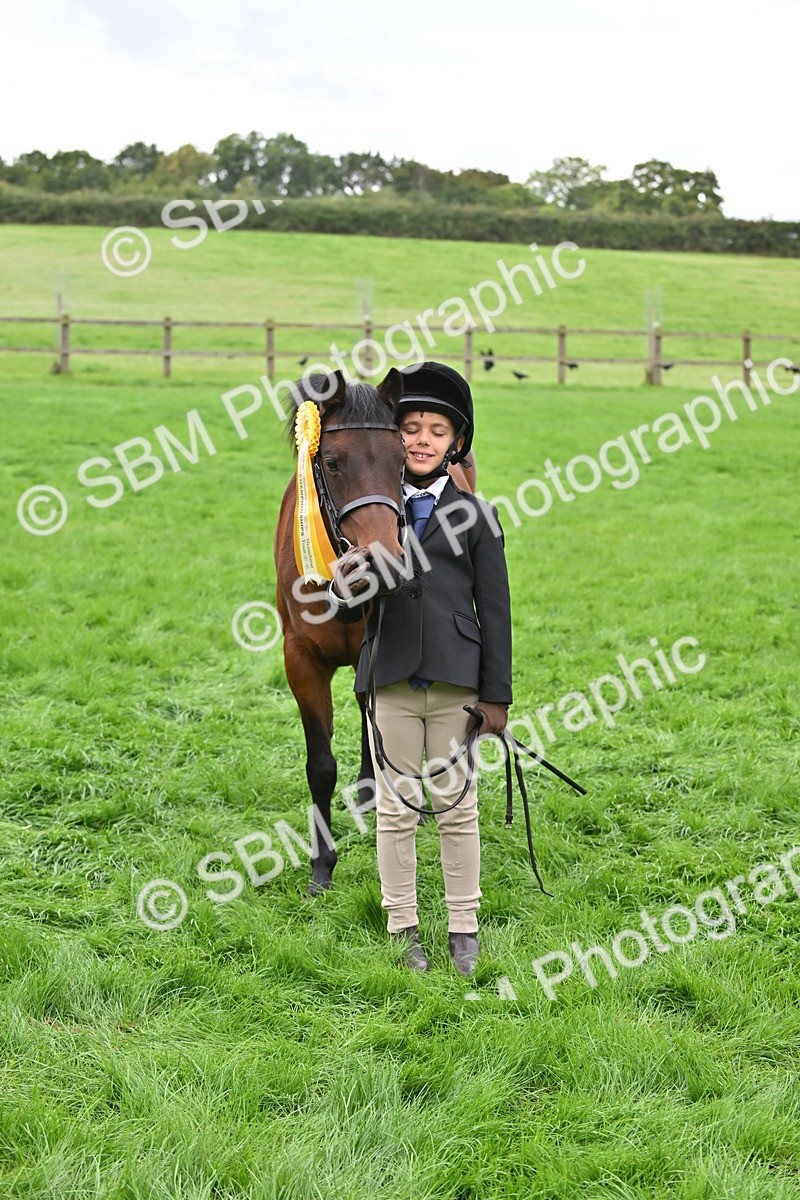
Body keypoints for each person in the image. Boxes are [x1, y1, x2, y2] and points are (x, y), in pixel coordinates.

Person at [330, 361, 513, 975]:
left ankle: (464, 927)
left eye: (437, 430)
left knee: (459, 807)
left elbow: (496, 612)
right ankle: (401, 923)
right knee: (396, 806)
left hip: (459, 680)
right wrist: (344, 582)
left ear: (455, 442)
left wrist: (497, 697)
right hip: (391, 677)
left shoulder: (479, 517)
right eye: (411, 428)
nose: (423, 440)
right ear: (393, 437)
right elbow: (349, 606)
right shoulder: (369, 511)